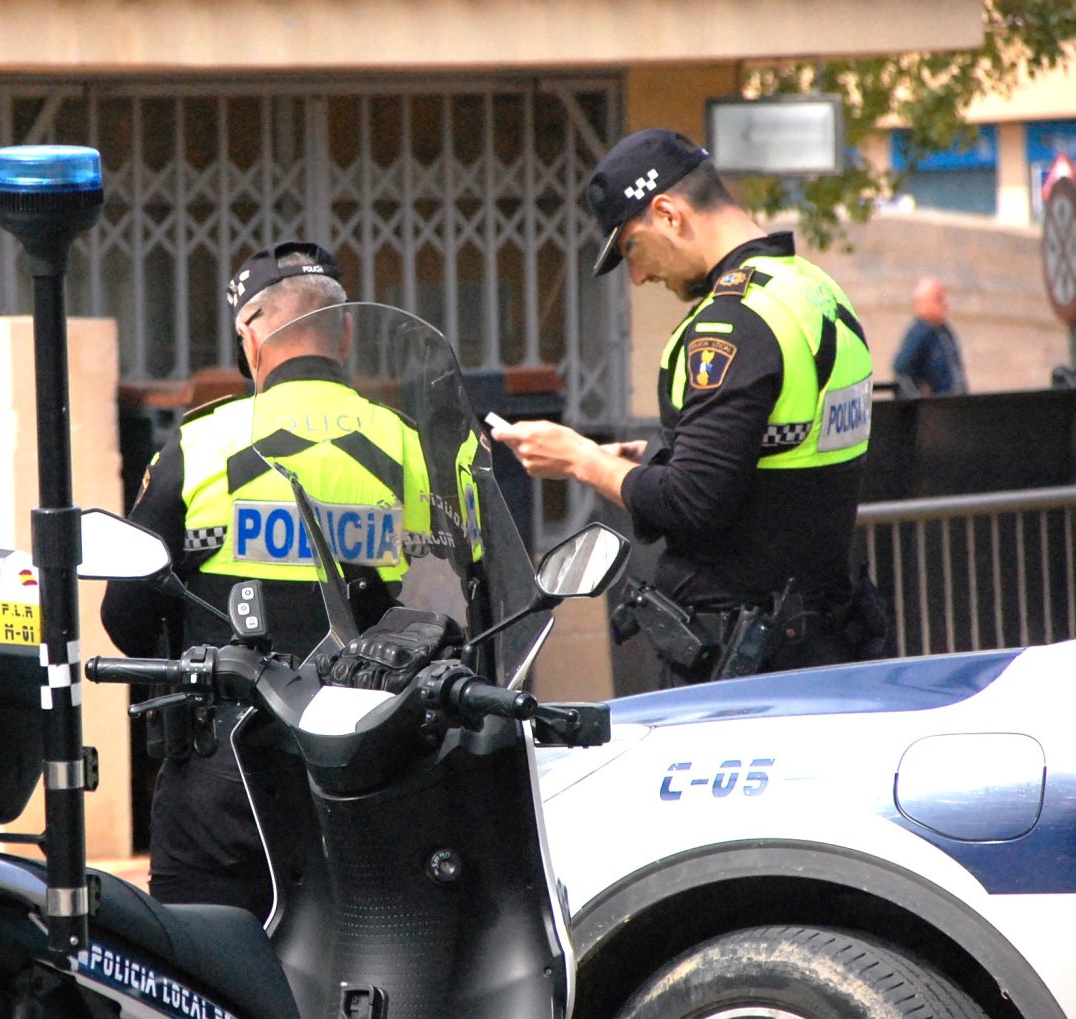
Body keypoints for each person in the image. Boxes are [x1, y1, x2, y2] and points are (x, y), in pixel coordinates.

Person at [101, 240, 431, 919]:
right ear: (345, 331)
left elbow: (125, 615)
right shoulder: (408, 444)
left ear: (249, 337)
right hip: (366, 769)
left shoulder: (201, 442)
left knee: (206, 955)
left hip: (225, 775)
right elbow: (455, 597)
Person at [491, 129, 884, 685]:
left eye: (631, 248)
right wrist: (653, 464)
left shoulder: (731, 323)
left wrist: (582, 459)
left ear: (668, 214)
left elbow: (693, 502)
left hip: (742, 669)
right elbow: (776, 457)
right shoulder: (812, 290)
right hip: (820, 639)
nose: (638, 276)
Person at [893, 276, 967, 397]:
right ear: (923, 303)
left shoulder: (945, 331)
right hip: (938, 404)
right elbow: (901, 367)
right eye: (939, 298)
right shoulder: (920, 332)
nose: (945, 302)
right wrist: (919, 397)